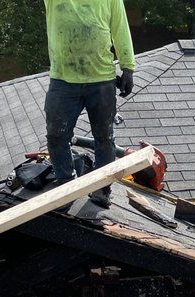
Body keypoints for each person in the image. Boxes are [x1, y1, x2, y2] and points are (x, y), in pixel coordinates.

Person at [44, 0, 136, 208]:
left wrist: (128, 66)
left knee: (104, 137)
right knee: (56, 136)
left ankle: (101, 188)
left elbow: (119, 26)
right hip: (63, 79)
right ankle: (66, 184)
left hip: (101, 79)